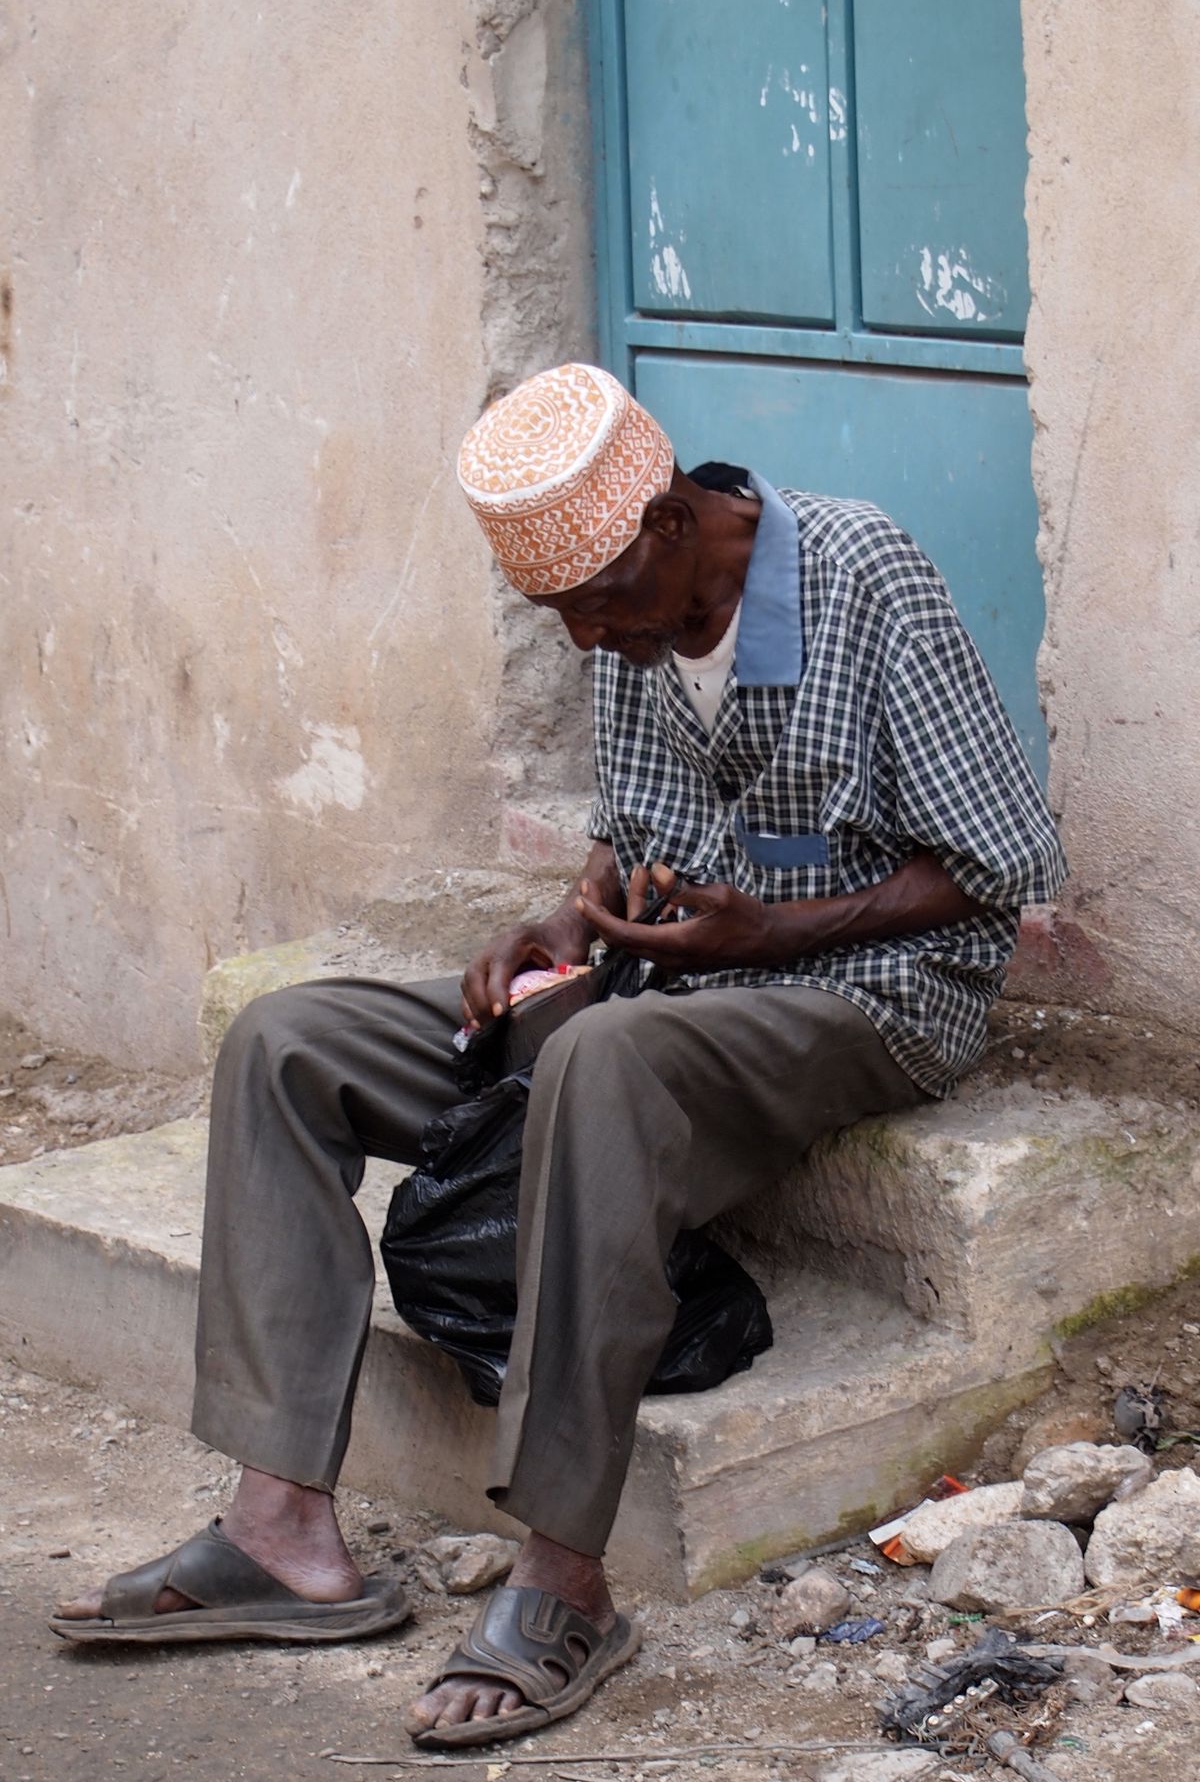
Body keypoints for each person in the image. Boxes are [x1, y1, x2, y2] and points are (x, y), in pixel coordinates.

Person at [52, 362, 1067, 1750]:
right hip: (676, 987)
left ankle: (561, 1573)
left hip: (870, 995)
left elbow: (1004, 864)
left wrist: (768, 936)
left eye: (600, 606)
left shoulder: (863, 572)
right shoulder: (639, 629)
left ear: (668, 520)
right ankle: (280, 1527)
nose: (589, 641)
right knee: (289, 1041)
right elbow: (633, 825)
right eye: (560, 617)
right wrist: (549, 928)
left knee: (609, 1064)